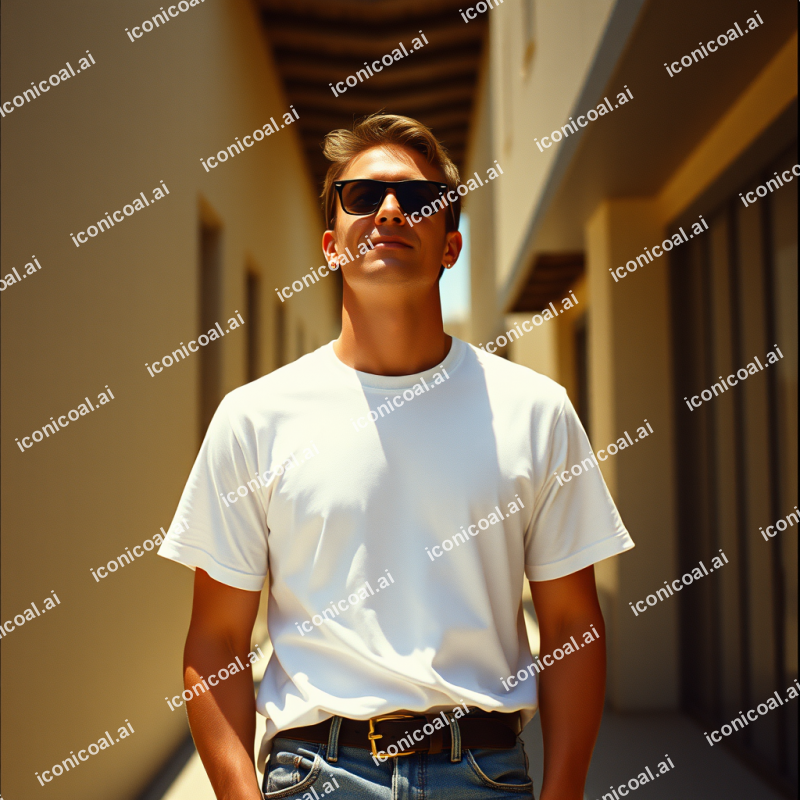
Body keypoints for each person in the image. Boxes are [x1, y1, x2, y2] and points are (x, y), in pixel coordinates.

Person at [159, 113, 634, 800]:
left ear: (451, 246)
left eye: (418, 201)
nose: (388, 211)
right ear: (330, 244)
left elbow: (569, 625)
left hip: (486, 772)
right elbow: (215, 643)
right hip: (314, 775)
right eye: (361, 196)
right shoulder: (254, 419)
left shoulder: (536, 410)